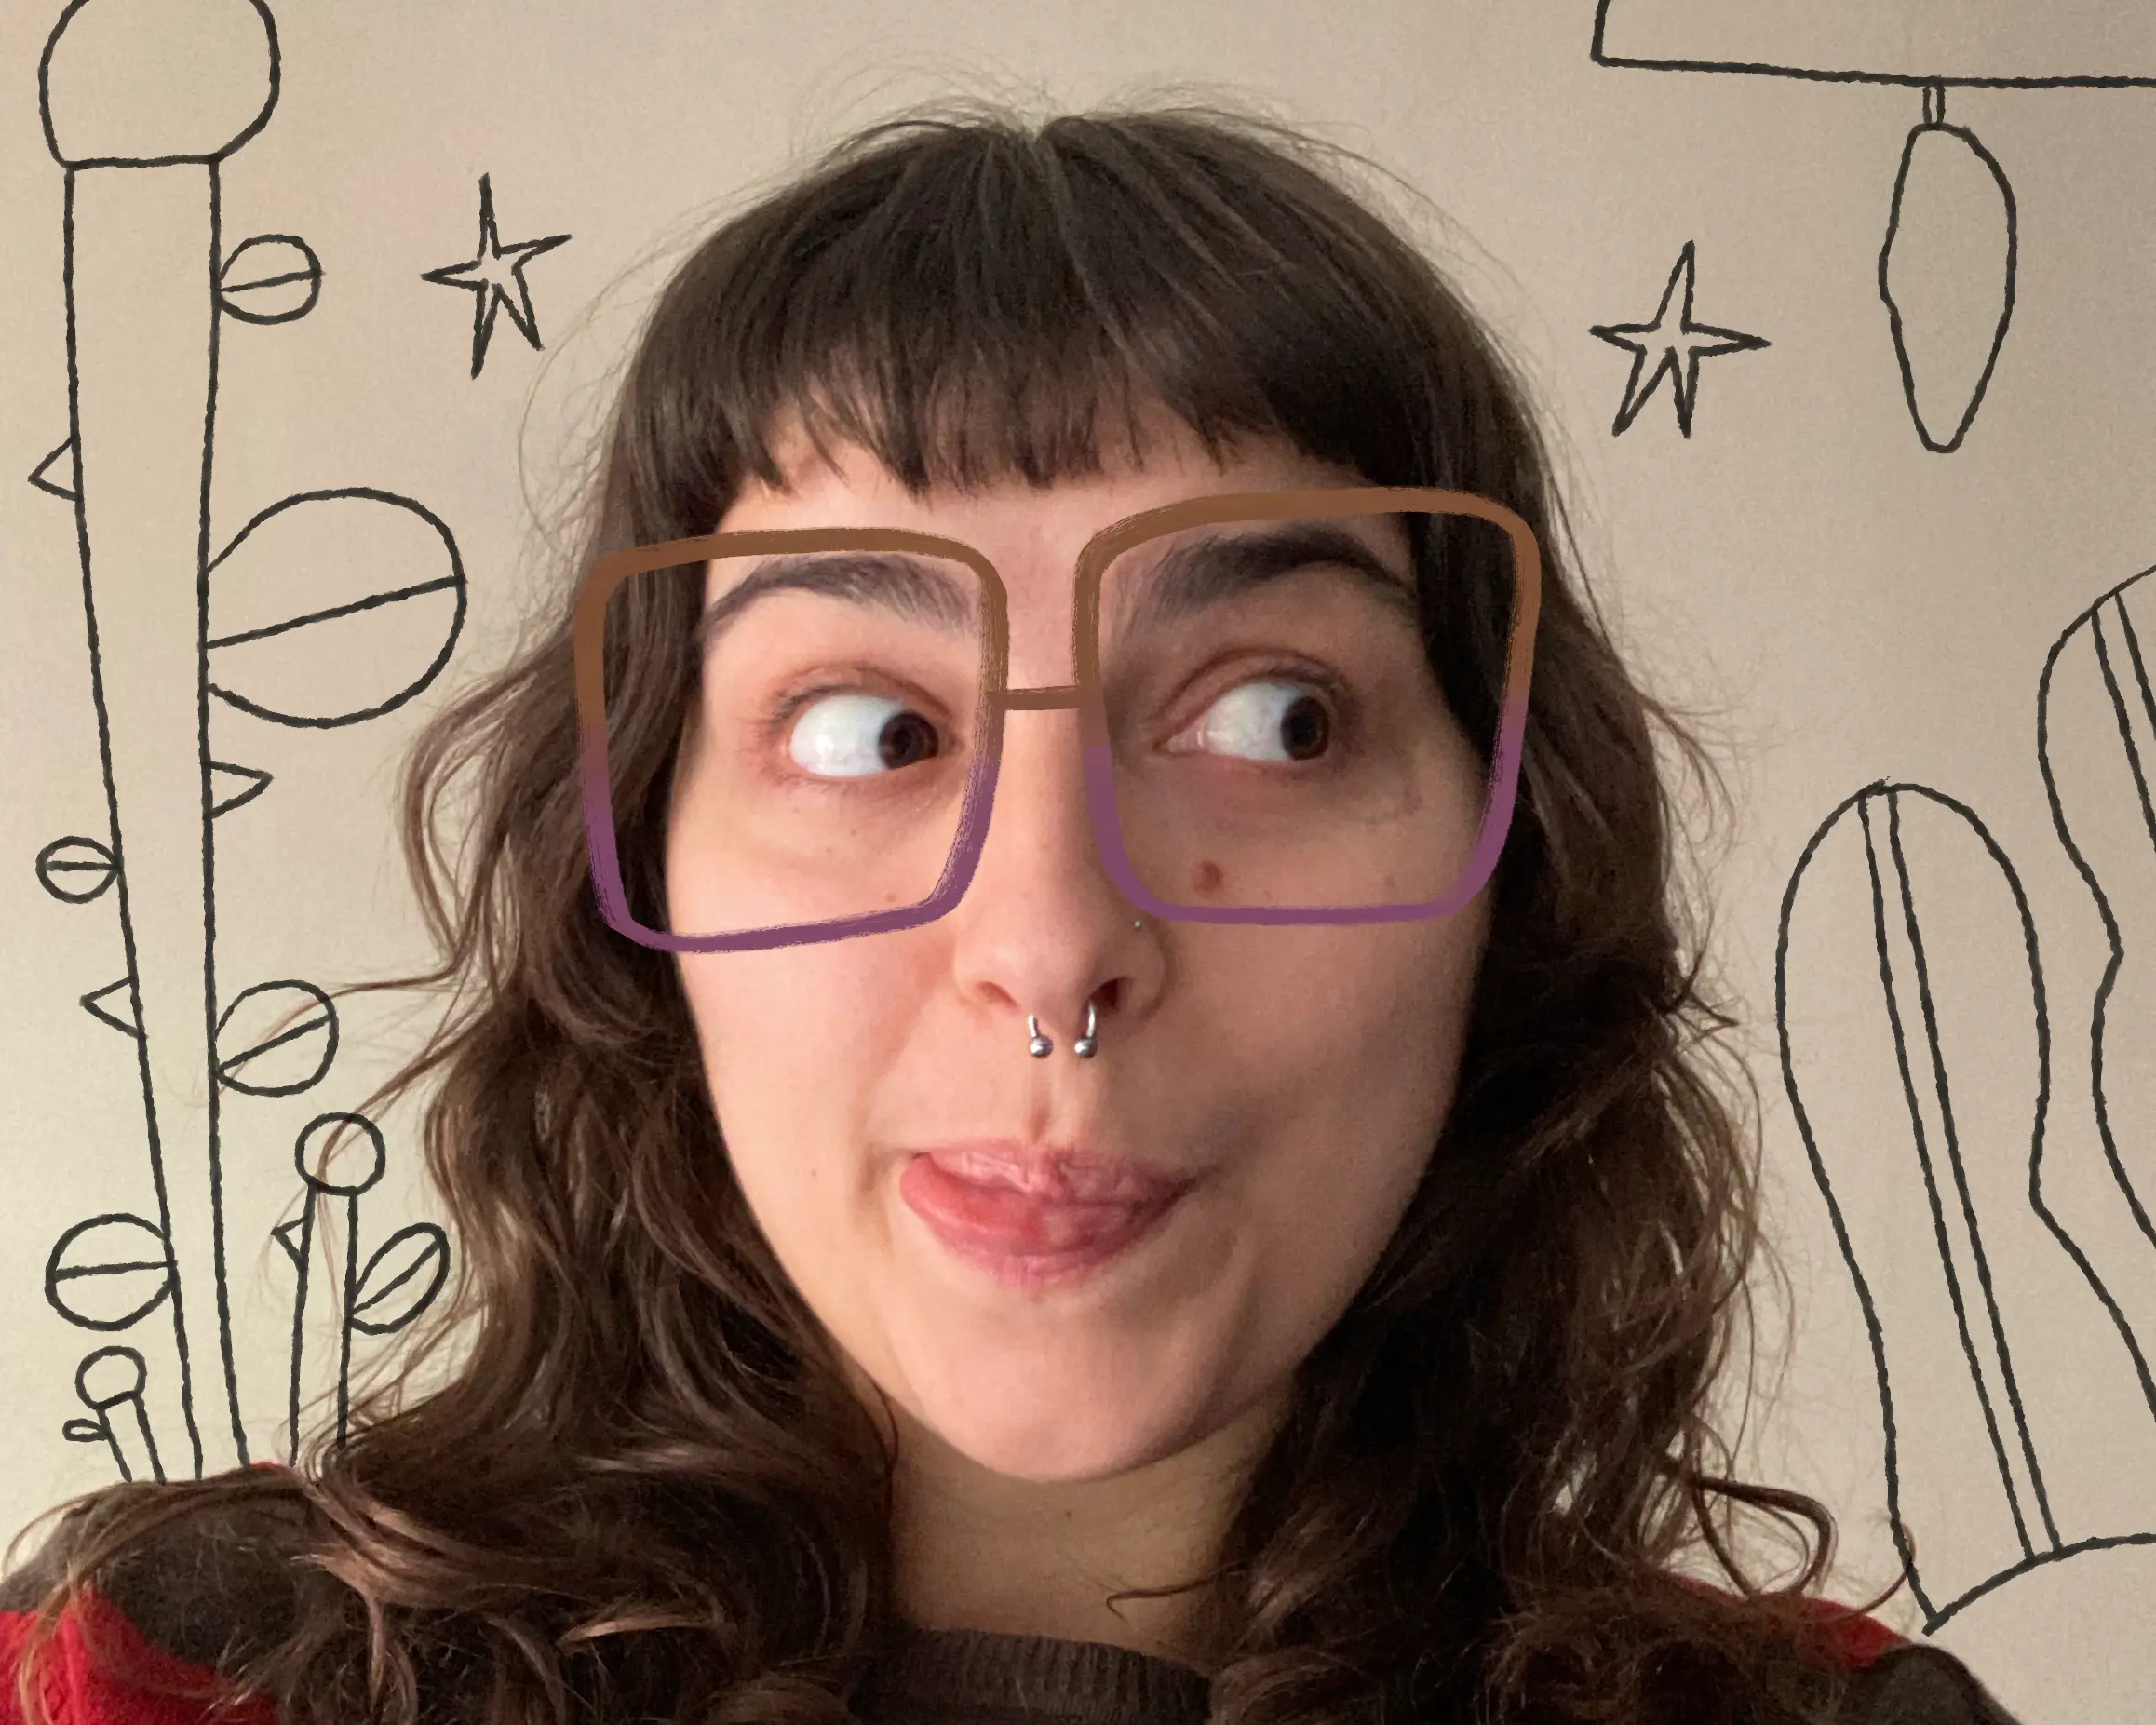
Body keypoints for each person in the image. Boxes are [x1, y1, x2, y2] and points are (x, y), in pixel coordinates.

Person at [2, 98, 2025, 1725]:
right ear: (641, 878)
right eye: (870, 730)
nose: (1052, 949)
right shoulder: (148, 1683)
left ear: (1519, 866)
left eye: (1280, 716)